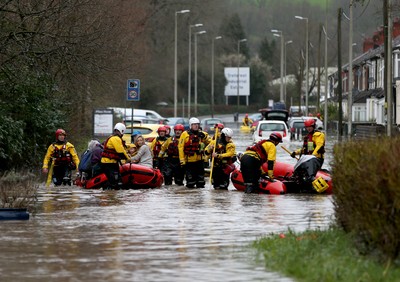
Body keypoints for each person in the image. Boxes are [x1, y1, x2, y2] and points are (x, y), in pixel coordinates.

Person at [178, 117, 208, 188]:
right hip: (189, 161)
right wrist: (182, 160)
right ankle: (190, 197)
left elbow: (211, 142)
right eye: (194, 124)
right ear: (190, 125)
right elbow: (180, 147)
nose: (196, 126)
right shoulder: (185, 134)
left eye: (197, 124)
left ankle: (198, 197)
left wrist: (205, 138)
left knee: (200, 182)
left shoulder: (202, 134)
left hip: (199, 160)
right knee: (190, 182)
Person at [100, 123, 131, 189]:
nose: (122, 135)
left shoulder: (113, 138)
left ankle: (110, 194)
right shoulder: (116, 139)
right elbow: (120, 152)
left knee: (117, 180)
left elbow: (122, 150)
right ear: (121, 131)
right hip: (108, 163)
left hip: (112, 162)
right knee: (114, 181)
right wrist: (128, 159)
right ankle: (110, 195)